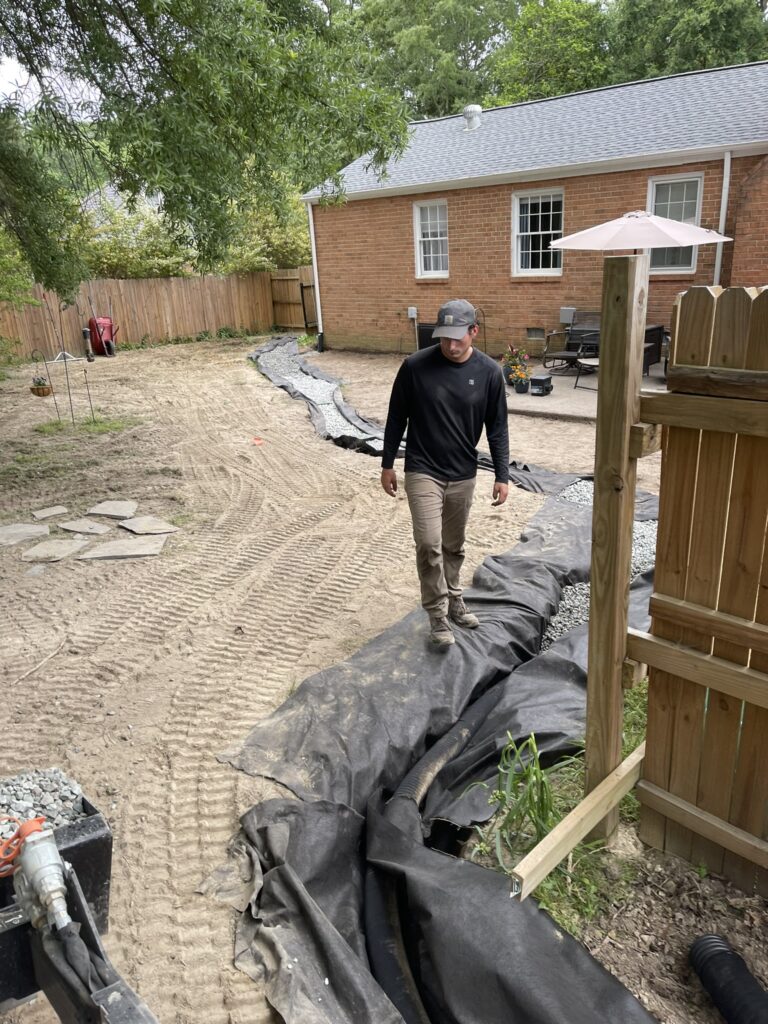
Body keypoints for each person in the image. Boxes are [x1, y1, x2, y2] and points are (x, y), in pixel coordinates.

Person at [381, 298, 510, 647]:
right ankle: (437, 614)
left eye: (458, 338)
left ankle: (455, 597)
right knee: (429, 543)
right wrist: (387, 463)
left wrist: (502, 474)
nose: (451, 346)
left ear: (474, 332)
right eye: (444, 338)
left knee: (453, 545)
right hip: (423, 469)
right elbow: (396, 418)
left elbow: (497, 428)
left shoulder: (489, 373)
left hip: (463, 472)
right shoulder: (415, 367)